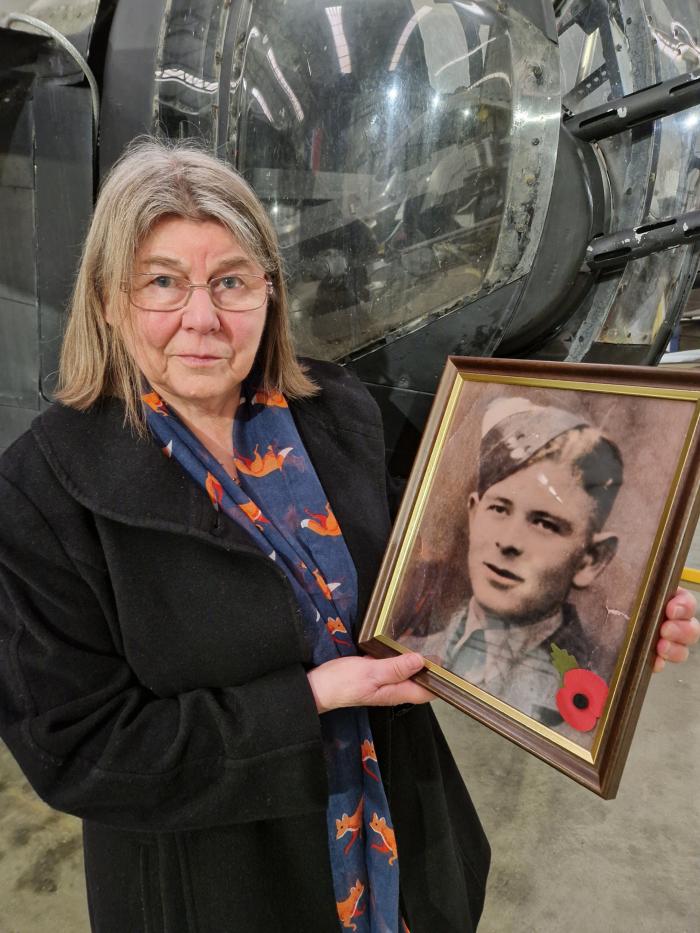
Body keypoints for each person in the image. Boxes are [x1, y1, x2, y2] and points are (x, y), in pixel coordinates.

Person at [0, 140, 696, 933]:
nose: (202, 317)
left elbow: (437, 578)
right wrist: (307, 703)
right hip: (217, 890)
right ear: (107, 300)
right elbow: (79, 749)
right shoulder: (41, 493)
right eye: (163, 281)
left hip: (409, 853)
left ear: (269, 293)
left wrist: (617, 621)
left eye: (231, 280)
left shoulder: (337, 412)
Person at [442, 396, 624, 728]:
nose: (509, 542)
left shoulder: (595, 690)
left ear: (591, 560)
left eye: (545, 524)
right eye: (498, 509)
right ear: (473, 513)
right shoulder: (416, 645)